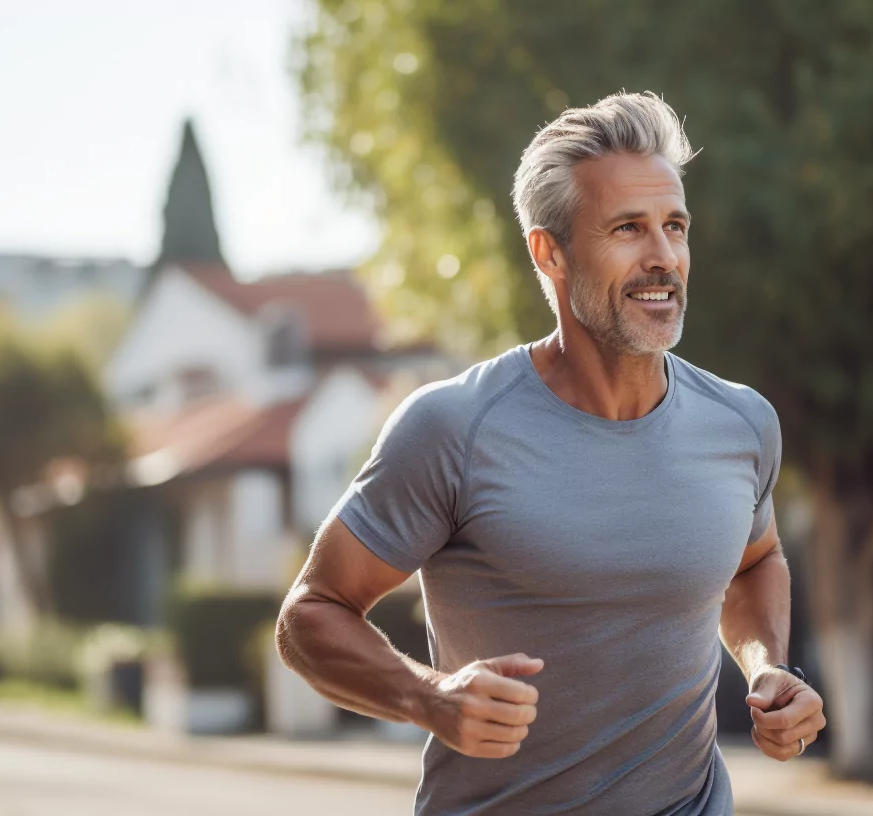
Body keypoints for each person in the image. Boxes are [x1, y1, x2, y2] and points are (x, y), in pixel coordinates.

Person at [276, 91, 825, 815]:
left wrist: (767, 667)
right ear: (550, 252)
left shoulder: (740, 424)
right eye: (628, 229)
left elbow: (755, 562)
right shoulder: (454, 428)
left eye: (675, 226)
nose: (663, 258)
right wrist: (429, 697)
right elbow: (311, 614)